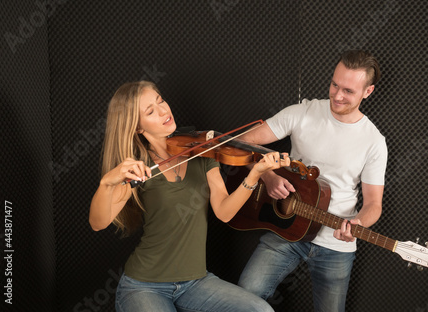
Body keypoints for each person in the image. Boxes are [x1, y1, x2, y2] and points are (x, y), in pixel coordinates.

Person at [89, 80, 289, 312]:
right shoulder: (138, 167)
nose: (164, 110)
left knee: (261, 310)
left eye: (160, 100)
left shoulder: (203, 151)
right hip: (145, 285)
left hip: (195, 282)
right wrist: (107, 183)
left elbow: (224, 212)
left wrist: (254, 175)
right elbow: (98, 223)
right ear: (138, 128)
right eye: (151, 111)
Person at [237, 50, 388, 312]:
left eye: (348, 91)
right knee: (244, 296)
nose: (337, 96)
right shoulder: (303, 112)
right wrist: (267, 175)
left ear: (368, 91)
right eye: (334, 85)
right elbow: (242, 143)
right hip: (286, 229)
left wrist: (358, 223)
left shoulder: (374, 142)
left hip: (334, 242)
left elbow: (374, 204)